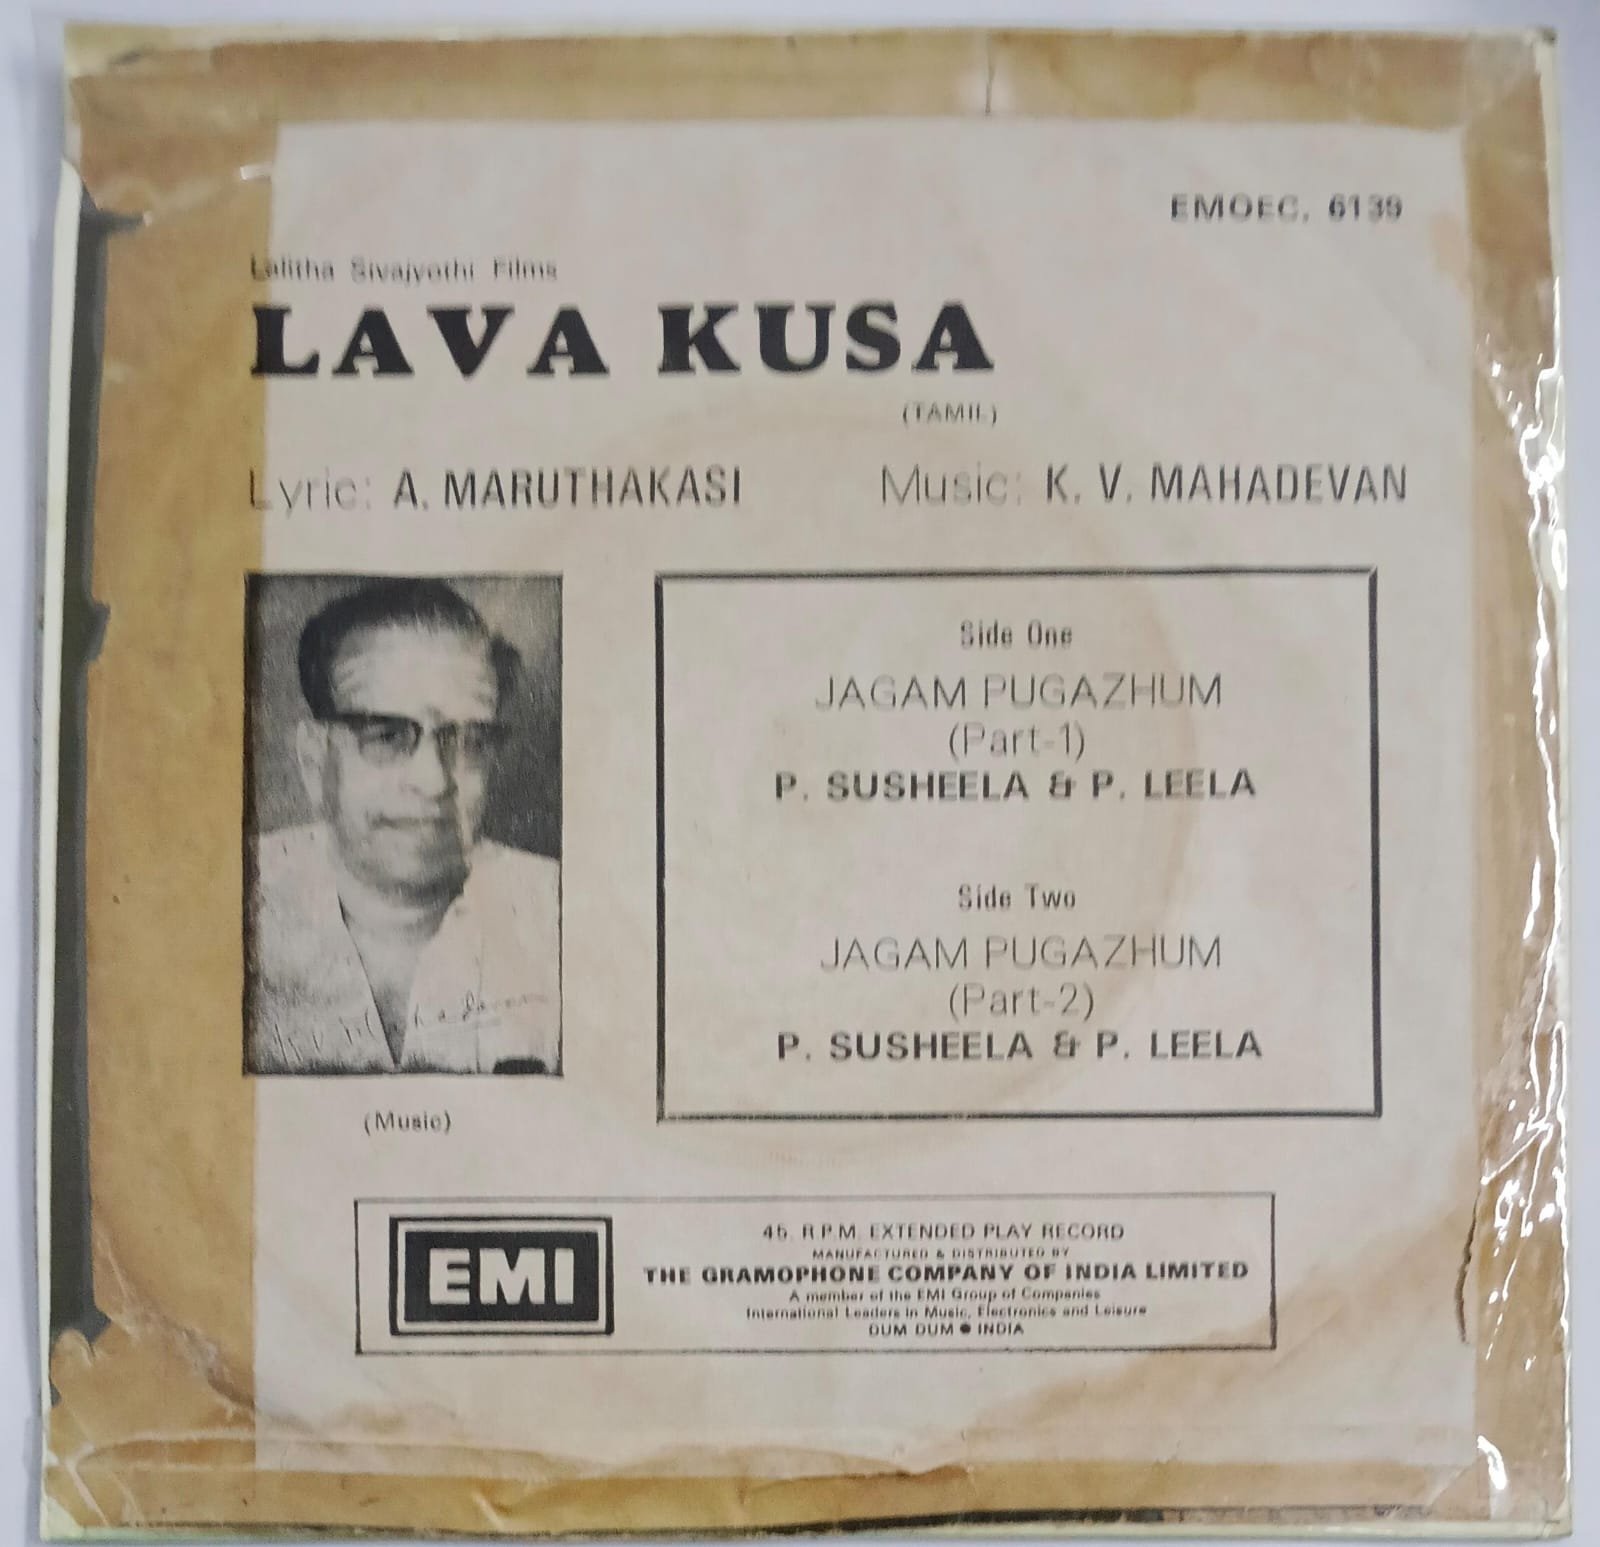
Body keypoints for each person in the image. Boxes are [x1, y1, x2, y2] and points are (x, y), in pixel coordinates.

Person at [247, 579, 560, 1074]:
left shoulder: (561, 917)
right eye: (387, 736)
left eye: (467, 741)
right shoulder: (231, 905)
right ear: (314, 761)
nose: (433, 782)